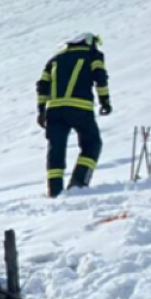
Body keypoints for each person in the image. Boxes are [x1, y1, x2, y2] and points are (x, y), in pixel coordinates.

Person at [35, 33, 112, 197]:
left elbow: (42, 86)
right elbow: (100, 77)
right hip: (80, 108)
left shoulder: (54, 60)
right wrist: (105, 101)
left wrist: (41, 110)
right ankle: (79, 183)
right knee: (92, 144)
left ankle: (54, 191)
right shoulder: (93, 55)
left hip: (54, 111)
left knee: (56, 149)